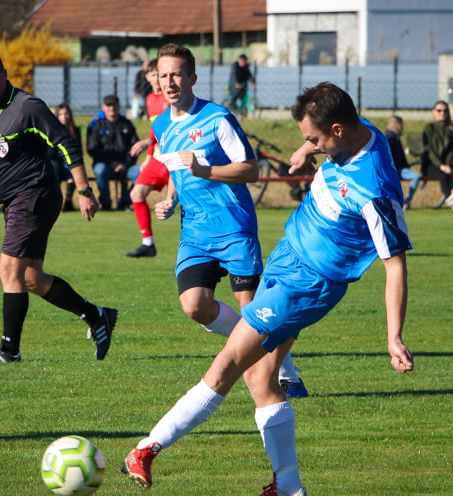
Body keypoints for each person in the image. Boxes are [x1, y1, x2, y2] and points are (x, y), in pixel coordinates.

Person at [122, 82, 413, 496]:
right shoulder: (357, 130)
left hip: (305, 284)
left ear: (336, 129)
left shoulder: (374, 188)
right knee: (261, 377)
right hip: (288, 257)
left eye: (313, 138)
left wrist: (393, 336)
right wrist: (306, 151)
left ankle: (147, 448)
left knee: (228, 365)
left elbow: (396, 266)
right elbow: (330, 137)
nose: (308, 144)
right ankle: (290, 489)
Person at [149, 43, 307, 398]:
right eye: (163, 75)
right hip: (194, 233)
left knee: (254, 310)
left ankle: (287, 372)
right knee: (194, 305)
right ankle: (251, 346)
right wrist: (170, 199)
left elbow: (250, 169)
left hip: (234, 229)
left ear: (192, 77)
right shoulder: (160, 124)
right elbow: (178, 170)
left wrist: (205, 170)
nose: (169, 82)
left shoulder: (217, 118)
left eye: (176, 74)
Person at [0, 51, 118, 363]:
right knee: (30, 278)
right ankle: (97, 316)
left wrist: (84, 189)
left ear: (4, 74)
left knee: (8, 269)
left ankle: (8, 351)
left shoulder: (27, 107)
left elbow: (66, 144)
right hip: (12, 202)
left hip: (33, 195)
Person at [126, 58, 170, 258]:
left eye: (159, 74)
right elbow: (156, 129)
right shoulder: (150, 99)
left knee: (186, 202)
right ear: (147, 77)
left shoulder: (171, 98)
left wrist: (147, 143)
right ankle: (148, 243)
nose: (156, 79)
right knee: (136, 194)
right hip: (158, 158)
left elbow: (169, 128)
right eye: (153, 75)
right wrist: (149, 156)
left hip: (175, 159)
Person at [86, 94, 141, 211]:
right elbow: (92, 149)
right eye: (108, 105)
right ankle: (105, 203)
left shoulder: (127, 123)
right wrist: (111, 163)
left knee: (142, 171)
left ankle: (126, 201)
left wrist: (125, 164)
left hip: (126, 165)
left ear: (119, 106)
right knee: (100, 170)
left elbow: (135, 146)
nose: (112, 108)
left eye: (114, 105)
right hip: (105, 165)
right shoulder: (96, 124)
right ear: (103, 107)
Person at [420, 101, 453, 211]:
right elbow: (429, 150)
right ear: (433, 112)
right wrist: (441, 165)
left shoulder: (450, 130)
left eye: (445, 111)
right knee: (443, 175)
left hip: (444, 163)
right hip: (430, 164)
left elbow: (450, 151)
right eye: (439, 110)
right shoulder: (429, 128)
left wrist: (447, 164)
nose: (442, 113)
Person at [385, 115, 422, 210]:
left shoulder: (392, 138)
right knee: (416, 176)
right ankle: (406, 202)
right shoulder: (390, 139)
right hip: (395, 171)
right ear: (399, 126)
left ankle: (404, 202)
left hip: (397, 170)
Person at [50, 102, 82, 212]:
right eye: (62, 114)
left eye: (67, 114)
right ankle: (55, 202)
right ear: (57, 116)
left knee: (73, 169)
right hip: (56, 160)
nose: (65, 117)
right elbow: (50, 152)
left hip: (68, 161)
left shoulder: (75, 131)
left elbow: (78, 150)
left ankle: (68, 201)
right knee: (55, 168)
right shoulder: (52, 130)